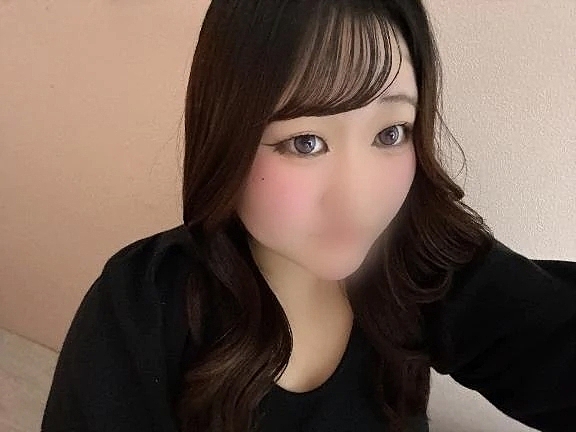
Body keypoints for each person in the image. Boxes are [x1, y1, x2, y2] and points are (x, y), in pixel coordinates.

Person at [41, 1, 576, 431]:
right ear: (227, 138)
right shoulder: (141, 306)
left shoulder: (422, 263)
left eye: (390, 133)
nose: (357, 198)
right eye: (305, 142)